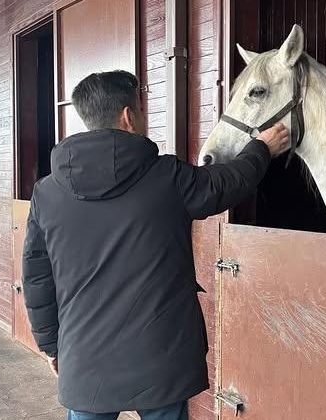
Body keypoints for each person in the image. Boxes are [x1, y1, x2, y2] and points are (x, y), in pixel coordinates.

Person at [22, 70, 289, 420]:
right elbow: (227, 184)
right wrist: (262, 148)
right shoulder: (167, 178)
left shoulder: (46, 193)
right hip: (160, 357)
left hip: (84, 357)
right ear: (128, 116)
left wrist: (51, 345)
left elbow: (37, 279)